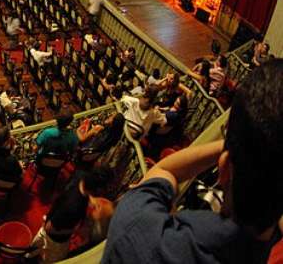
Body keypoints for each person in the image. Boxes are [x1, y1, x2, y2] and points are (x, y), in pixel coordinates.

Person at [103, 60, 283, 263]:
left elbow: (164, 170)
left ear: (223, 168)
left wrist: (234, 145)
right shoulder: (268, 248)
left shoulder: (137, 227)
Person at [28, 165, 114, 263]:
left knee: (34, 248)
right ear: (97, 189)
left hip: (53, 216)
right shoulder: (73, 207)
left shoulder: (80, 175)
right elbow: (49, 228)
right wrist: (74, 230)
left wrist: (91, 200)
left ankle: (28, 257)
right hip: (55, 239)